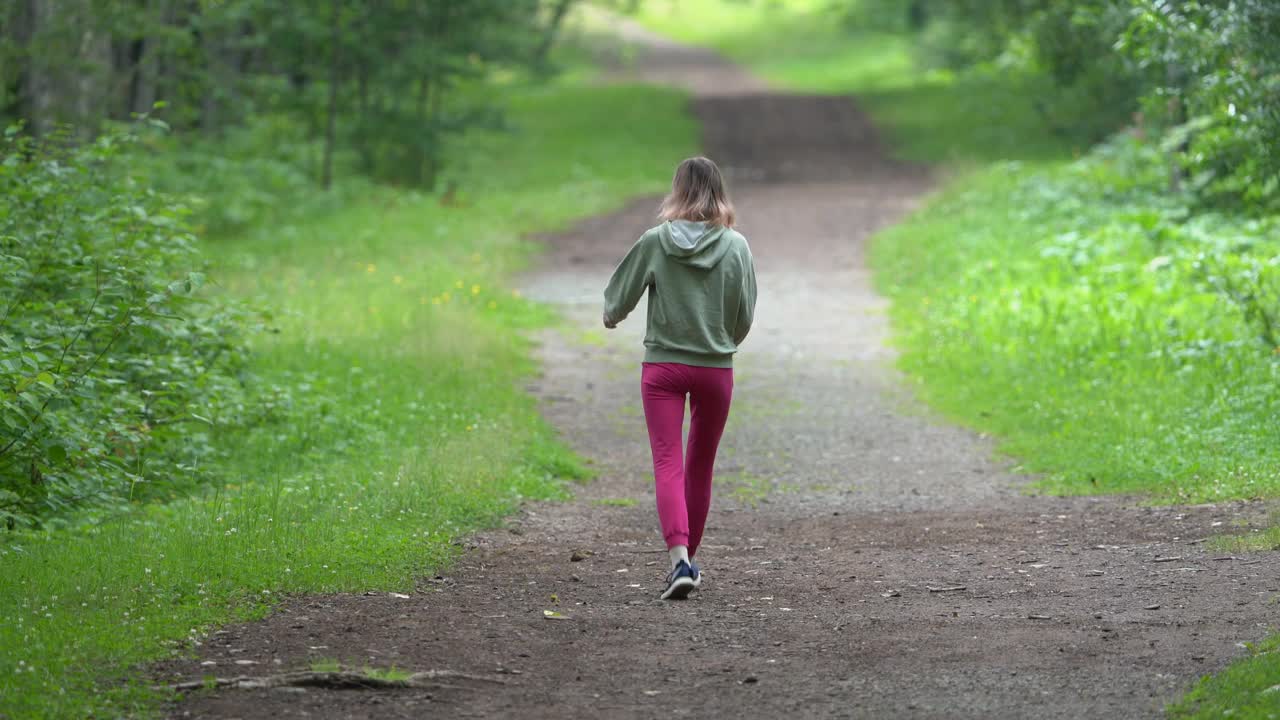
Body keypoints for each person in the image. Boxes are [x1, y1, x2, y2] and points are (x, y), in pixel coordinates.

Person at [602, 156, 757, 600]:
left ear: (677, 191)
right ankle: (688, 564)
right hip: (715, 368)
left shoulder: (655, 242)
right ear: (719, 192)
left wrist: (612, 314)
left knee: (667, 462)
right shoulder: (736, 246)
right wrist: (723, 339)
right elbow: (745, 313)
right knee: (700, 465)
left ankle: (680, 560)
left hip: (663, 369)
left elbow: (619, 296)